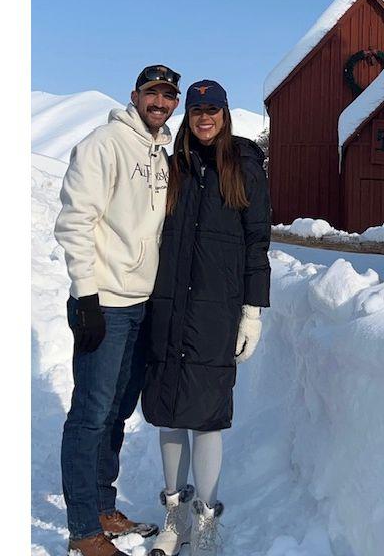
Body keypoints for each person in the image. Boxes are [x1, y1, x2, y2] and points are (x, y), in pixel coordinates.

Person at [54, 65, 181, 556]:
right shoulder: (103, 144)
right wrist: (86, 294)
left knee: (116, 412)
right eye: (152, 93)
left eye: (168, 95)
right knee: (90, 414)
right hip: (104, 302)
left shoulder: (160, 153)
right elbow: (75, 221)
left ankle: (104, 506)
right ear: (135, 95)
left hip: (141, 304)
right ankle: (83, 528)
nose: (160, 102)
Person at [141, 80, 271, 556]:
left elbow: (257, 243)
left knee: (207, 416)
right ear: (188, 116)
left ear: (224, 113)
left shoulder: (244, 167)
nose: (204, 117)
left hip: (216, 310)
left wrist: (252, 310)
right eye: (197, 110)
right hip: (168, 304)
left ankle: (206, 520)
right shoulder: (172, 166)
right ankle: (175, 517)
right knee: (169, 413)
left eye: (212, 109)